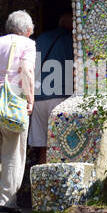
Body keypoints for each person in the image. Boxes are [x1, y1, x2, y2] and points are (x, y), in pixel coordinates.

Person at [0, 11, 36, 212]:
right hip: (10, 96)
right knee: (13, 148)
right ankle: (6, 201)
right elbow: (26, 71)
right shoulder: (27, 44)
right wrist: (30, 99)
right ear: (28, 31)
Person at [28, 11, 74, 164]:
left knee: (43, 146)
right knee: (60, 145)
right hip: (60, 96)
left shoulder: (40, 39)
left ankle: (41, 184)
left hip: (38, 98)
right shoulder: (70, 40)